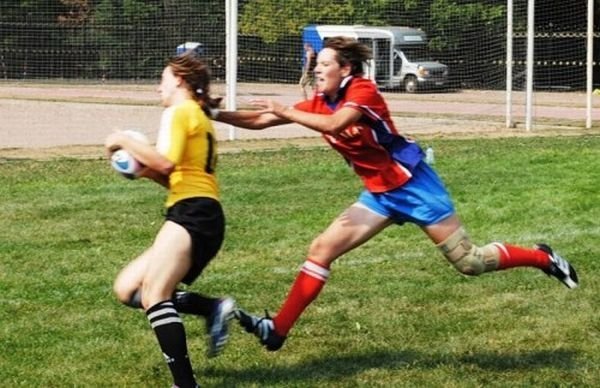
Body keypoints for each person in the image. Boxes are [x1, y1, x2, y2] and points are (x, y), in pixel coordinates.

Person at [214, 36, 579, 353]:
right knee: (321, 250)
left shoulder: (362, 91)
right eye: (318, 63)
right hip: (379, 194)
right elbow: (260, 120)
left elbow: (336, 124)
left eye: (325, 64)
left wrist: (286, 110)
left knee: (471, 262)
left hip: (413, 186)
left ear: (347, 69)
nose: (317, 70)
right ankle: (277, 330)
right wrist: (212, 111)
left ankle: (543, 259)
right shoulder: (320, 101)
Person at [105, 51, 234, 387]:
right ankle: (211, 308)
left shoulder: (180, 111)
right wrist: (139, 169)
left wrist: (124, 140)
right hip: (196, 210)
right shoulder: (196, 114)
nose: (157, 89)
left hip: (194, 212)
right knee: (126, 288)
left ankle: (185, 384)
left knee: (155, 295)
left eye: (160, 80)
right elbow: (169, 173)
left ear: (178, 79)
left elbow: (164, 163)